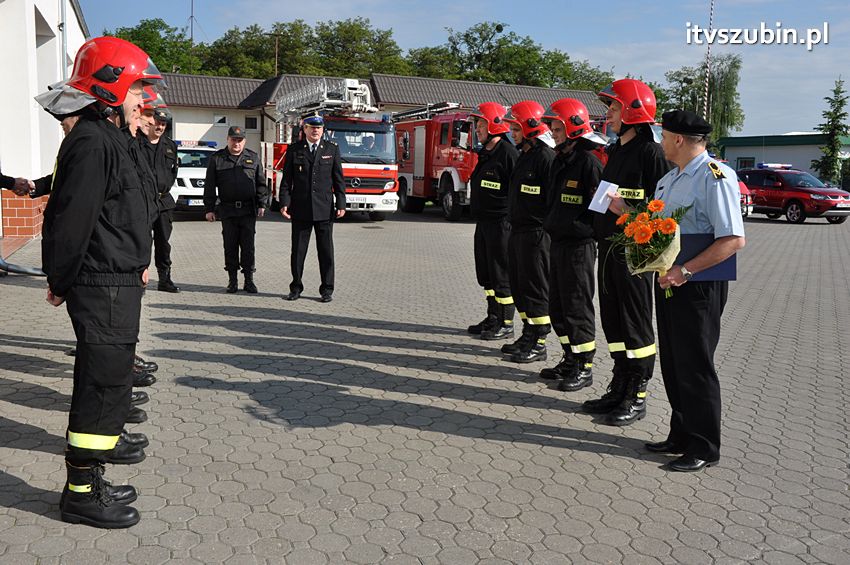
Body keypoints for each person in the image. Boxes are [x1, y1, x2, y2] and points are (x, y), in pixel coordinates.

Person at [41, 36, 163, 529]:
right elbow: (72, 221)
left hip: (116, 281)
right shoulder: (93, 141)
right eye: (138, 90)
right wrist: (61, 279)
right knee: (99, 385)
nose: (143, 101)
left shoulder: (111, 136)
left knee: (112, 382)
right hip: (100, 285)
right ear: (110, 86)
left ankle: (93, 475)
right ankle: (82, 493)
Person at [647, 110, 745, 472]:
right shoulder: (669, 179)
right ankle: (681, 434)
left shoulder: (715, 177)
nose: (660, 142)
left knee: (696, 363)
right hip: (669, 280)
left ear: (677, 139)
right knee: (673, 361)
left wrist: (685, 270)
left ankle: (704, 446)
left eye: (663, 135)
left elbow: (734, 239)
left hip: (697, 284)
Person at [582, 79, 671, 426]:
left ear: (633, 110)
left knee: (635, 324)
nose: (609, 114)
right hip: (607, 248)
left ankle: (637, 393)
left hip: (634, 253)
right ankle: (619, 385)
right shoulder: (617, 148)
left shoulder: (651, 152)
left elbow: (662, 209)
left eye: (614, 107)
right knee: (614, 321)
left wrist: (626, 210)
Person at [540, 99, 605, 391]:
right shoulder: (559, 160)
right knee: (559, 306)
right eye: (552, 127)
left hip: (580, 246)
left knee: (577, 306)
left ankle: (584, 366)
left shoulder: (589, 163)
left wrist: (582, 230)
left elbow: (599, 208)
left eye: (556, 127)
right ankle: (569, 358)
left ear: (572, 128)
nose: (552, 132)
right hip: (558, 243)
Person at [500, 101, 556, 363]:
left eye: (515, 126)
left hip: (536, 235)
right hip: (518, 231)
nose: (512, 131)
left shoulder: (545, 157)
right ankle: (528, 334)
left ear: (530, 126)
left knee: (535, 288)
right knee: (520, 287)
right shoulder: (525, 154)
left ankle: (540, 341)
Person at [466, 102, 519, 340]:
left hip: (501, 224)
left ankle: (506, 322)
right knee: (486, 273)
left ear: (495, 126)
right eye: (477, 125)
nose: (477, 130)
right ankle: (493, 316)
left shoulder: (507, 154)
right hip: (485, 222)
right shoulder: (486, 153)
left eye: (481, 125)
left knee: (501, 273)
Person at [280, 115, 346, 302]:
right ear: (305, 129)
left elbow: (338, 179)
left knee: (326, 252)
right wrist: (284, 202)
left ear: (323, 130)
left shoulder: (331, 149)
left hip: (324, 209)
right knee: (298, 252)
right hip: (301, 209)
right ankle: (296, 287)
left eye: (319, 128)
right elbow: (287, 180)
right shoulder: (294, 150)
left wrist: (341, 203)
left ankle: (327, 290)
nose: (315, 131)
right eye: (311, 127)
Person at [204, 126, 269, 293]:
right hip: (227, 210)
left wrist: (262, 204)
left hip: (248, 210)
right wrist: (209, 209)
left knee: (248, 247)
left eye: (240, 140)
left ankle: (249, 280)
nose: (236, 143)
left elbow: (261, 183)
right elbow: (210, 186)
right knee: (230, 246)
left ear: (244, 141)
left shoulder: (252, 158)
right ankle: (232, 281)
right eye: (234, 139)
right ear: (228, 139)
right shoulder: (217, 158)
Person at [140, 88, 180, 293]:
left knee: (164, 243)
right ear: (151, 122)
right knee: (142, 241)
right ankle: (141, 279)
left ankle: (165, 279)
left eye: (164, 124)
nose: (161, 127)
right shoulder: (137, 143)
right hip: (143, 202)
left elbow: (173, 172)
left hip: (164, 202)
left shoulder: (170, 146)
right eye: (158, 123)